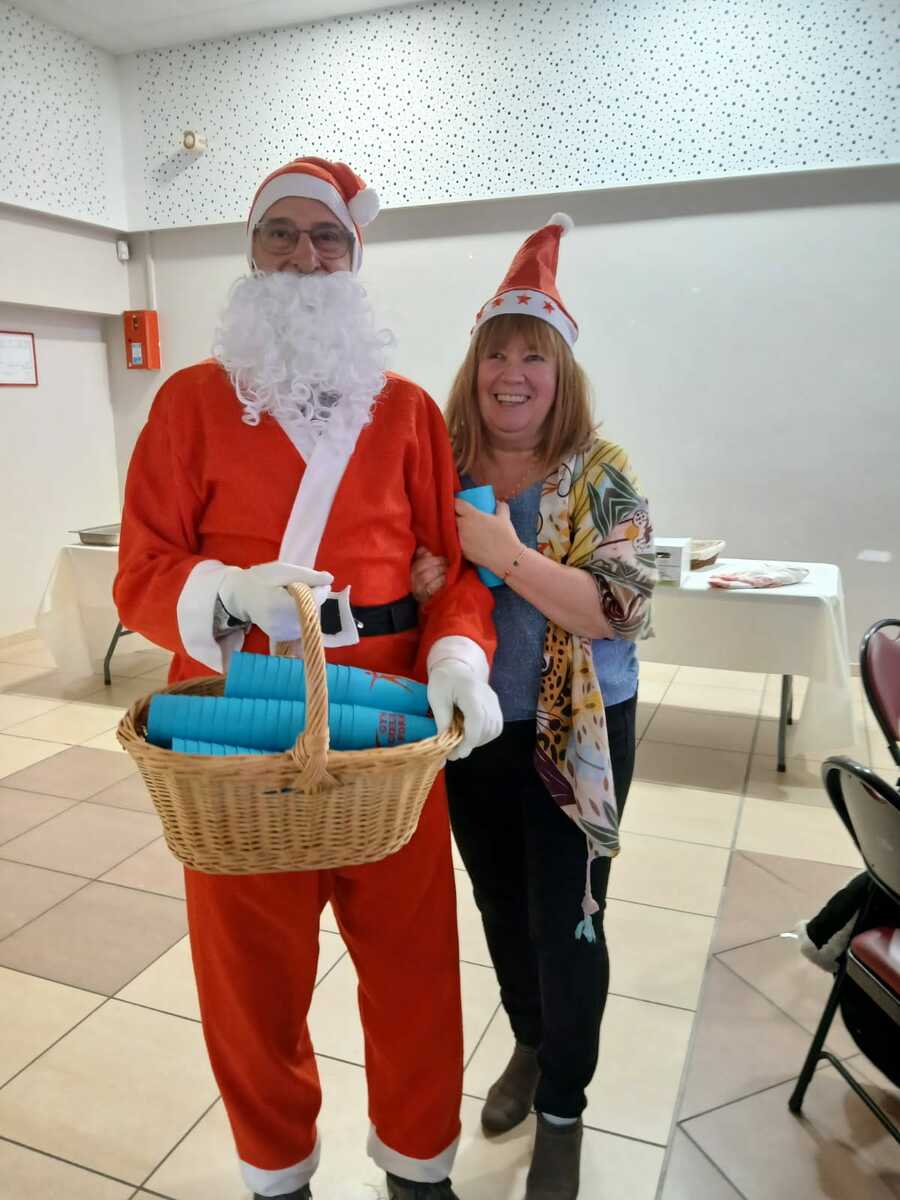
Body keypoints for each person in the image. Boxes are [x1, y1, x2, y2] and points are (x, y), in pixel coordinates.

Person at [114, 156, 503, 1200]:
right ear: (250, 253)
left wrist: (457, 654)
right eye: (280, 233)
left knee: (415, 964)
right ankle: (275, 1171)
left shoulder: (408, 412)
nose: (304, 255)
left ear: (354, 258)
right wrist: (225, 590)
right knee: (250, 974)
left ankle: (418, 1165)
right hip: (239, 716)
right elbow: (140, 572)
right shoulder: (188, 405)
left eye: (327, 236)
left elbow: (454, 571)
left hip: (387, 722)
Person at [410, 215, 656, 1199]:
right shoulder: (441, 462)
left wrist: (504, 555)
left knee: (571, 923)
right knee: (502, 907)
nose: (511, 375)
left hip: (578, 733)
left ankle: (564, 1108)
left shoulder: (603, 471)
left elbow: (619, 609)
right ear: (473, 367)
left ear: (562, 372)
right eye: (495, 355)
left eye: (533, 357)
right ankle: (527, 1040)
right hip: (474, 729)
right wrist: (423, 576)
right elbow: (403, 578)